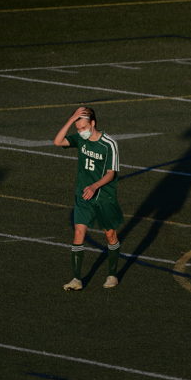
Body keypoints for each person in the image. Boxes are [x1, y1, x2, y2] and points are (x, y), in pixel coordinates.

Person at [53, 106, 123, 290]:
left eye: (83, 127)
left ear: (93, 123)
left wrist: (94, 186)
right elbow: (57, 141)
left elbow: (111, 174)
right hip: (83, 195)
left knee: (110, 235)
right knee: (78, 233)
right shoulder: (80, 139)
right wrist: (71, 119)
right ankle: (76, 279)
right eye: (78, 129)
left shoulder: (109, 144)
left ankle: (112, 275)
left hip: (104, 196)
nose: (81, 132)